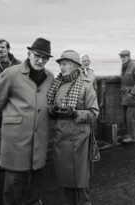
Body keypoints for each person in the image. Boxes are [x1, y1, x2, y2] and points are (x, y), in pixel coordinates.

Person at [0, 38, 54, 205]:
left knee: (36, 183)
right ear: (29, 54)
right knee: (14, 185)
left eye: (45, 58)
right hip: (16, 140)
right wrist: (12, 122)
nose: (40, 61)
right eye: (37, 56)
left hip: (39, 139)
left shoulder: (50, 77)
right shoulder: (11, 73)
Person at [47, 50, 99, 205]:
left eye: (65, 64)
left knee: (80, 183)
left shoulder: (86, 85)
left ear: (75, 66)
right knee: (66, 181)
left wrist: (74, 113)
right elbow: (50, 106)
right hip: (60, 138)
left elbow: (94, 112)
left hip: (79, 141)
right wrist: (52, 111)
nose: (61, 67)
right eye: (60, 64)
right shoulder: (57, 84)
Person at [119, 50, 135, 143]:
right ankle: (129, 134)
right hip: (126, 96)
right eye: (121, 57)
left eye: (124, 57)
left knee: (130, 116)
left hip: (133, 96)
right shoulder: (124, 66)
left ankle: (132, 137)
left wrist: (132, 93)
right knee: (127, 116)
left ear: (129, 56)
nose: (122, 59)